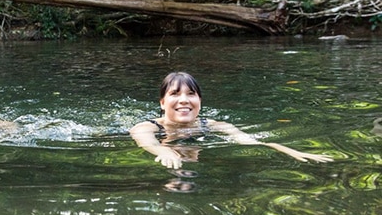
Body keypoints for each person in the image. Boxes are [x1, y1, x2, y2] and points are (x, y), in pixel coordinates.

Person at [130, 72, 334, 170]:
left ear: (199, 101)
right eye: (175, 94)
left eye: (191, 94)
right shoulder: (147, 126)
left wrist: (291, 151)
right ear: (162, 102)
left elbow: (250, 141)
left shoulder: (213, 125)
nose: (184, 99)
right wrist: (164, 151)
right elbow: (147, 142)